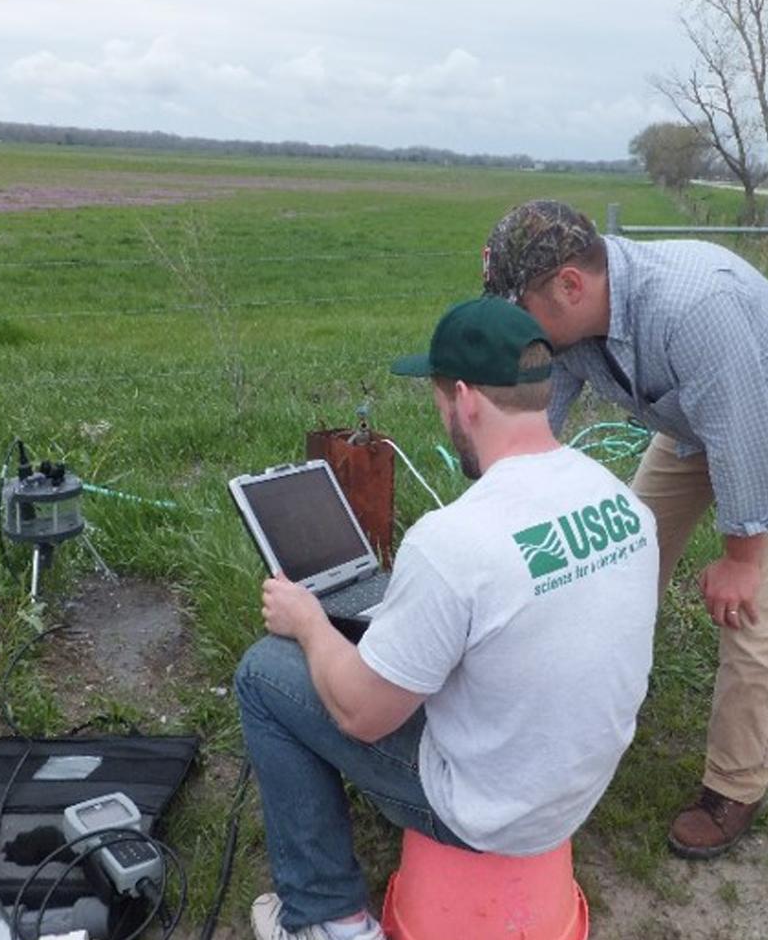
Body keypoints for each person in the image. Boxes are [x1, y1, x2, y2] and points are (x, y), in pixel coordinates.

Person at [234, 296, 658, 940]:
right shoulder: (620, 500)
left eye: (437, 399)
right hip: (578, 784)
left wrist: (310, 622)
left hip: (490, 812)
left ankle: (325, 919)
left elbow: (362, 715)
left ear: (463, 399)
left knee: (265, 673)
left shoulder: (451, 541)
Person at [481, 198, 768, 858]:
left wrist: (742, 561)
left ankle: (737, 785)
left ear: (570, 285)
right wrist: (488, 517)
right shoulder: (564, 329)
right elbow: (532, 428)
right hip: (692, 424)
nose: (510, 322)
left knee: (748, 615)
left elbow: (743, 437)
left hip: (758, 419)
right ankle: (598, 712)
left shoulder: (694, 309)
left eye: (515, 305)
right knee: (626, 556)